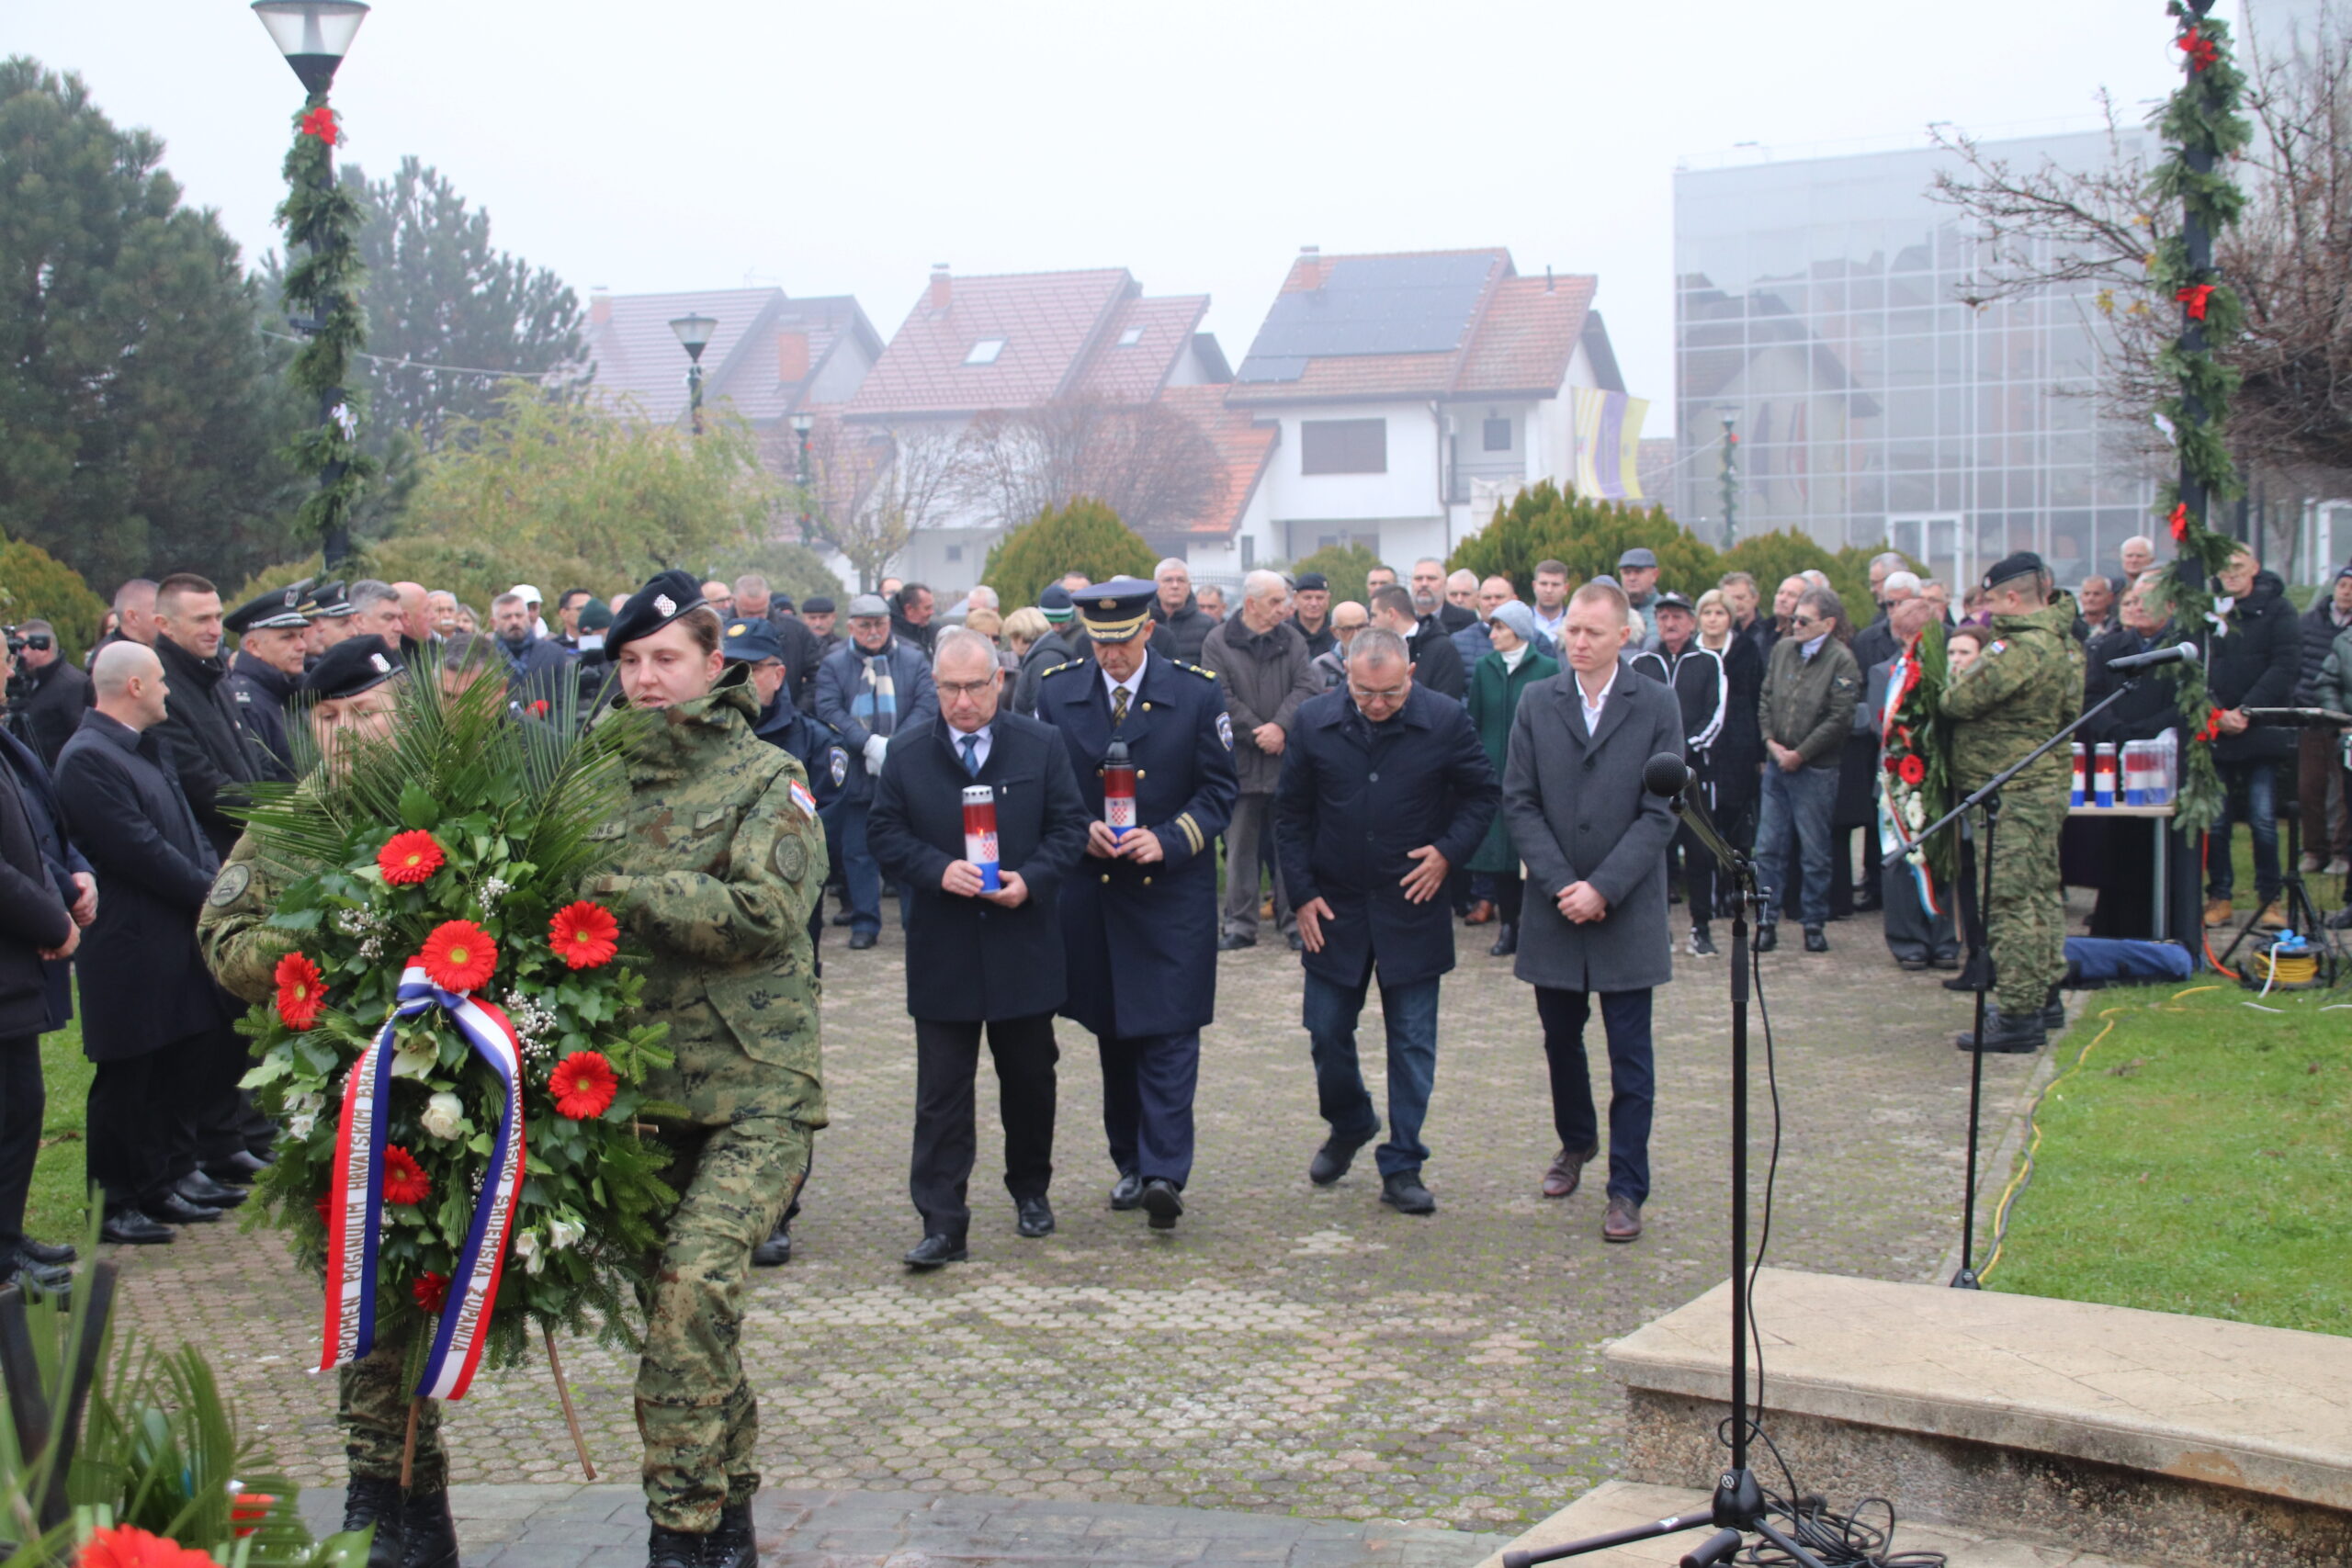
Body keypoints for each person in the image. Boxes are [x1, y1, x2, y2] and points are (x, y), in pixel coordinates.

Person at [594, 571, 827, 1568]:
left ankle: (680, 1536)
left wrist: (623, 891)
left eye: (666, 659)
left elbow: (764, 912)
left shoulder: (768, 778)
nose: (646, 678)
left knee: (691, 1293)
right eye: (631, 661)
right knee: (686, 1322)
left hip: (755, 1092)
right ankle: (729, 1524)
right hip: (637, 1096)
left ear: (713, 664)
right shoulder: (590, 781)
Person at [868, 628, 1089, 1267]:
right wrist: (937, 869)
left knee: (1029, 1080)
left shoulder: (1041, 744)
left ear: (1000, 681)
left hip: (1023, 944)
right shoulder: (908, 751)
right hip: (945, 949)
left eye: (974, 687)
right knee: (941, 1092)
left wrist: (1032, 880)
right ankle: (943, 1222)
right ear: (934, 686)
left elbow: (1070, 827)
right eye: (949, 688)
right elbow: (884, 833)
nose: (962, 702)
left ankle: (1031, 1189)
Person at [1034, 578, 1237, 1232]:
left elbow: (1219, 791)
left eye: (1122, 642)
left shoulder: (1197, 692)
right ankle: (1129, 1160)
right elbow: (1044, 786)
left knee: (1170, 1032)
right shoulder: (1057, 690)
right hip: (1095, 894)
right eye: (1100, 643)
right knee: (1114, 1034)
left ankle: (1164, 1173)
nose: (1111, 656)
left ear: (1148, 630)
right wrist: (1078, 829)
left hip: (1170, 894)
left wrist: (1170, 838)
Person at [1274, 626, 1497, 1216]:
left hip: (1412, 903)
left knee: (1413, 1042)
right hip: (1333, 906)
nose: (1376, 705)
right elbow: (1290, 815)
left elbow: (1482, 795)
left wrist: (1448, 853)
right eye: (1364, 692)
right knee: (1326, 1031)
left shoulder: (1445, 719)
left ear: (1411, 676)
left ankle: (1403, 1164)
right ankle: (1351, 1120)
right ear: (1344, 674)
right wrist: (1301, 894)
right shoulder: (1314, 721)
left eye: (1391, 694)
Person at [1500, 581, 1682, 1242]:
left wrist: (1603, 887)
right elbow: (1519, 800)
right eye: (1571, 630)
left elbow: (1662, 809)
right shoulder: (1536, 700)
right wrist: (1562, 885)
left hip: (1626, 908)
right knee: (1560, 1039)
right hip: (1555, 909)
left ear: (1623, 637)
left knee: (1631, 1055)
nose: (1577, 642)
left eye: (1592, 633)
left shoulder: (1656, 703)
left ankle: (1627, 1187)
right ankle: (1576, 1140)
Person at [59, 642, 246, 1247]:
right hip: (128, 942)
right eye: (161, 680)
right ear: (134, 686)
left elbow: (186, 831)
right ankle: (114, 1201)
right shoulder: (88, 758)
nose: (169, 690)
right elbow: (137, 847)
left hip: (170, 931)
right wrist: (212, 892)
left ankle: (163, 1177)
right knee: (129, 1070)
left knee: (174, 1058)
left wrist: (212, 880)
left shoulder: (143, 748)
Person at [1942, 553, 2083, 1053]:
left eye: (1991, 600)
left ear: (2012, 597)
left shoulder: (2020, 648)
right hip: (2041, 786)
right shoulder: (2066, 642)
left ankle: (2020, 1014)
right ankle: (2044, 996)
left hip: (2014, 792)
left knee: (2009, 902)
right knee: (2040, 895)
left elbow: (1958, 700)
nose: (1987, 610)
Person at [0, 722, 78, 1296]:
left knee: (21, 1105)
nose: (9, 678)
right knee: (10, 1107)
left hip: (14, 968)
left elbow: (29, 842)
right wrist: (51, 921)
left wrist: (59, 903)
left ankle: (7, 1237)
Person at [1203, 571, 1317, 952]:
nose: (1285, 608)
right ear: (1251, 604)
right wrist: (1258, 732)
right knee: (1239, 849)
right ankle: (1240, 924)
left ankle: (1295, 921)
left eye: (1285, 600)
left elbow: (1307, 686)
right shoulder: (1218, 640)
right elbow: (1218, 694)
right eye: (1276, 601)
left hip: (1287, 762)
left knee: (1291, 848)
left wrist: (1281, 727)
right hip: (1241, 763)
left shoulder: (1293, 639)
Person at [815, 594, 937, 950]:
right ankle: (865, 923)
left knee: (910, 847)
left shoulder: (913, 658)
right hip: (857, 769)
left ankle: (915, 922)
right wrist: (868, 744)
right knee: (858, 852)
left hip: (905, 771)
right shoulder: (834, 663)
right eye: (865, 625)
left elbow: (927, 705)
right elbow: (828, 709)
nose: (873, 631)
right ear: (850, 627)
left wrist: (894, 748)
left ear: (889, 624)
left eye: (880, 624)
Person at [1752, 585, 1861, 954]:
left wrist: (1801, 753)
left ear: (1827, 624)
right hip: (1777, 765)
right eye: (1794, 619)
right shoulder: (1783, 649)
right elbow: (1765, 697)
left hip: (1815, 770)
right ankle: (1766, 922)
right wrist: (1770, 741)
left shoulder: (1842, 660)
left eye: (1803, 620)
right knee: (1768, 848)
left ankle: (1814, 922)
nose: (1795, 625)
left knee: (1814, 852)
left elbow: (1840, 718)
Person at [2080, 577, 2189, 937]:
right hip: (2116, 755)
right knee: (2118, 847)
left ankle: (2160, 927)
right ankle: (2114, 927)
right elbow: (2092, 695)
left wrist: (2147, 731)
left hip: (2164, 758)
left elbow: (2190, 701)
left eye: (2148, 599)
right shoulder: (2112, 647)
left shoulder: (2183, 648)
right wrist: (2114, 729)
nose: (2139, 606)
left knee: (2159, 846)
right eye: (2134, 599)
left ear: (2170, 606)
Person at [2201, 545, 2299, 929]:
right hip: (2218, 728)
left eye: (2238, 566)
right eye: (2224, 567)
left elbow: (2285, 665)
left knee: (2262, 820)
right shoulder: (2208, 611)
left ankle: (2270, 900)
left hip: (2261, 727)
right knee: (2217, 822)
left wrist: (2246, 710)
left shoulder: (2278, 609)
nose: (2231, 573)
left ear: (2255, 567)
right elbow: (2198, 667)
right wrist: (2216, 711)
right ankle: (2220, 896)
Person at [1630, 593, 1729, 953]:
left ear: (1691, 622)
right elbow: (1631, 714)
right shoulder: (1641, 663)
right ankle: (1658, 928)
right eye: (1663, 617)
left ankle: (1701, 928)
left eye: (1677, 617)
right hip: (1651, 779)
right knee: (1656, 854)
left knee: (1700, 853)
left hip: (1695, 777)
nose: (1670, 623)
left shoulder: (1709, 661)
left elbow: (1715, 715)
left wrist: (1679, 751)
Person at [1867, 597, 1960, 969]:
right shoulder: (1884, 673)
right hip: (1898, 780)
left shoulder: (1948, 671)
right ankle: (1908, 940)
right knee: (1899, 860)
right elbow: (1882, 727)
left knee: (1941, 857)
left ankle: (1945, 939)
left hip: (1939, 779)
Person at [148, 573, 266, 859]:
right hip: (219, 854)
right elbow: (200, 783)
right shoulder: (161, 687)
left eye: (218, 617)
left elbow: (252, 752)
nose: (215, 630)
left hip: (253, 838)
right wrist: (277, 814)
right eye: (202, 620)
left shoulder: (213, 674)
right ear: (164, 624)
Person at [1465, 601, 1558, 959]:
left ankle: (1533, 926)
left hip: (1534, 773)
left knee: (1530, 851)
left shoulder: (1547, 667)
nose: (1492, 635)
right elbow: (1474, 720)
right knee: (1501, 857)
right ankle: (1508, 926)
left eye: (1500, 628)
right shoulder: (1485, 667)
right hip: (1493, 774)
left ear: (1518, 631)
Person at [1694, 588, 1765, 907]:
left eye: (1719, 613)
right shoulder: (1692, 653)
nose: (1713, 619)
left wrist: (1759, 751)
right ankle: (1709, 891)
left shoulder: (1746, 649)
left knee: (1736, 820)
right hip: (1703, 747)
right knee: (1705, 820)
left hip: (1739, 745)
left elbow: (1757, 697)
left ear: (1729, 618)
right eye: (1707, 613)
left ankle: (1735, 887)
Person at [2291, 565, 2352, 876]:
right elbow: (2305, 669)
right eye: (2343, 584)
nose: (2347, 591)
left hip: (2349, 725)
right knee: (2310, 788)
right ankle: (2314, 850)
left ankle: (2342, 852)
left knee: (2344, 793)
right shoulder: (2309, 623)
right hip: (2314, 716)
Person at [222, 582, 314, 779]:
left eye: (301, 636)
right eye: (287, 637)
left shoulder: (293, 689)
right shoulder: (245, 704)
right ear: (254, 647)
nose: (302, 646)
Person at [11, 620, 88, 767]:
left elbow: (82, 737)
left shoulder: (72, 684)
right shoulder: (24, 682)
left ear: (43, 646)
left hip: (57, 773)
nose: (18, 653)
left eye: (22, 646)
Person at [1369, 585, 1464, 700]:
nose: (1371, 624)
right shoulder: (1378, 650)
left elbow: (1447, 702)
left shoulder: (1443, 649)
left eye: (1374, 616)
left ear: (1391, 614)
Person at [489, 591, 576, 714]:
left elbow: (565, 703)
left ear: (528, 618)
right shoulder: (484, 657)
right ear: (494, 623)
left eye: (519, 615)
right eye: (507, 617)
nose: (514, 621)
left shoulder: (554, 653)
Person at [1012, 586, 1079, 716]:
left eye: (1062, 623)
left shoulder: (1048, 658)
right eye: (1051, 623)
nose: (1056, 628)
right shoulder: (1038, 648)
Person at [1147, 559, 1214, 662]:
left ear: (1189, 586)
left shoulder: (1208, 626)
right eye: (1168, 580)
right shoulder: (1143, 623)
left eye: (1181, 580)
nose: (1175, 586)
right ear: (1156, 585)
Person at [1308, 602, 1369, 691]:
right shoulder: (1320, 666)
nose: (1356, 634)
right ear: (1335, 632)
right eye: (1348, 629)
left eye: (1361, 627)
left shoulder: (1382, 660)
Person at [1617, 548, 1663, 638]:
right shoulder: (1613, 610)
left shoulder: (1667, 611)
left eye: (1638, 572)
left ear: (1654, 575)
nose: (1632, 578)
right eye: (1627, 572)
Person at [1291, 573, 1336, 659]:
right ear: (1295, 598)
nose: (1314, 603)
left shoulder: (1338, 632)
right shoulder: (1283, 634)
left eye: (1320, 598)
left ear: (1328, 599)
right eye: (1307, 598)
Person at [890, 582, 937, 654]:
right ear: (909, 609)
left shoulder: (934, 631)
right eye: (927, 608)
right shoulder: (890, 638)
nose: (932, 612)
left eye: (932, 607)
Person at [1530, 560, 1570, 645]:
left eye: (1555, 585)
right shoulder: (1521, 622)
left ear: (1566, 589)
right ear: (1534, 586)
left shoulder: (1574, 623)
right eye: (1544, 584)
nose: (1549, 590)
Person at [2078, 575, 2118, 639]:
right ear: (2080, 597)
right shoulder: (2070, 627)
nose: (2090, 599)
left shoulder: (2117, 627)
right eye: (2086, 594)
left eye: (2097, 594)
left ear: (2110, 598)